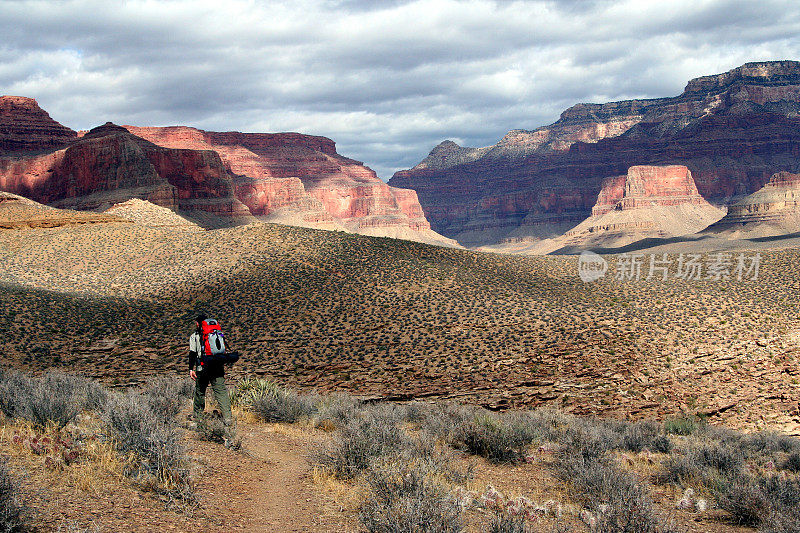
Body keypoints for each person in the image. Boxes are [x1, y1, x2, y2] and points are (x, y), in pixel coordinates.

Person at [189, 314, 233, 426]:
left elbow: (192, 354)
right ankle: (228, 417)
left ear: (198, 323)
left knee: (200, 392)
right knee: (221, 392)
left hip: (202, 367)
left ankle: (198, 416)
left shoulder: (195, 336)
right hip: (217, 366)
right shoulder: (217, 333)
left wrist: (191, 369)